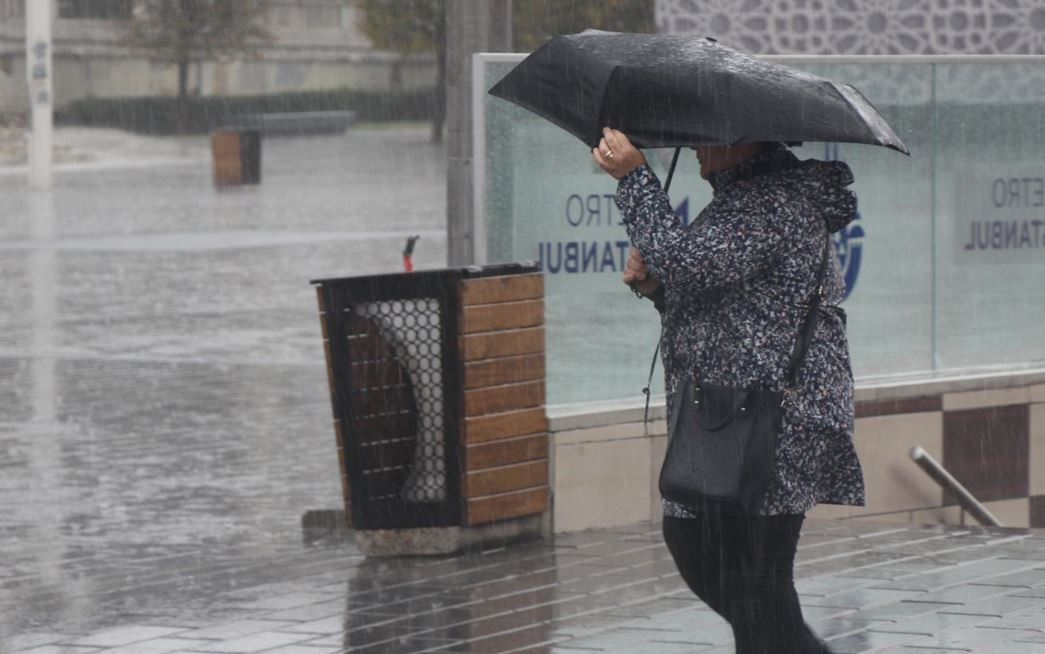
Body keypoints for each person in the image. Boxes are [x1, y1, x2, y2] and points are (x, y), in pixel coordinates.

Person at [592, 127, 865, 654]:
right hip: (732, 412)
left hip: (776, 415)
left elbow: (693, 267)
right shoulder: (745, 198)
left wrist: (634, 178)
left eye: (704, 137)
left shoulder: (771, 202)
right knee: (720, 557)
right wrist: (656, 287)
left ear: (744, 141)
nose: (694, 146)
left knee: (753, 571)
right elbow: (717, 298)